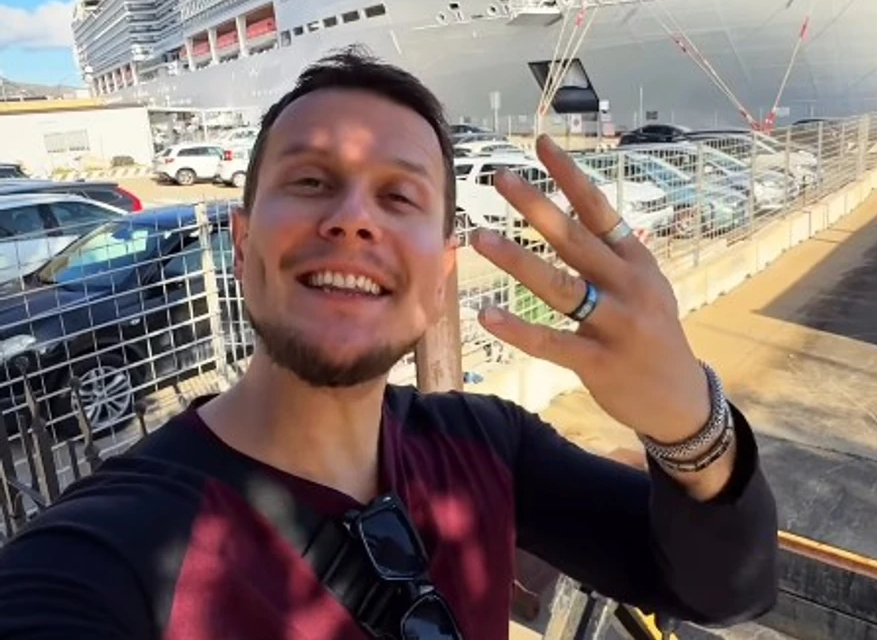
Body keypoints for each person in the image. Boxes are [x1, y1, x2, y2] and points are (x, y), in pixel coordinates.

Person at [0, 47, 778, 639]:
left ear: (441, 276)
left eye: (399, 195)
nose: (352, 219)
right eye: (310, 181)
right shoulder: (104, 555)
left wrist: (690, 427)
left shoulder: (488, 444)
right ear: (240, 245)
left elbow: (725, 591)